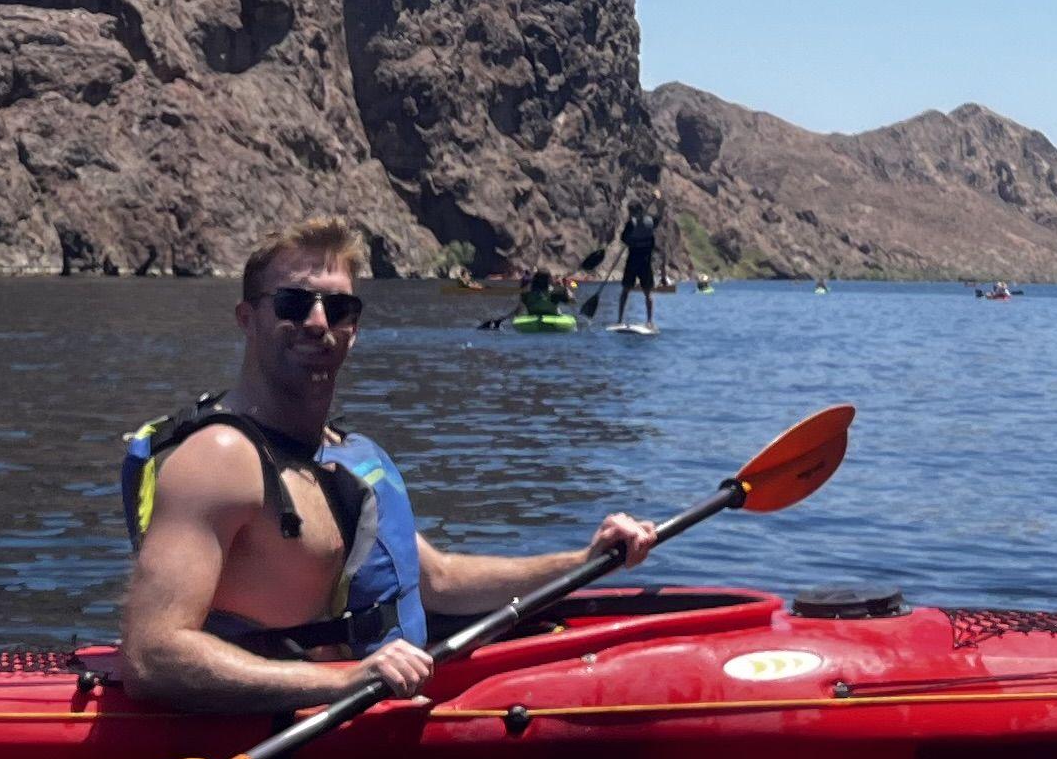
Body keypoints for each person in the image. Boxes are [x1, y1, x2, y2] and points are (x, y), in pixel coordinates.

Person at [120, 219, 660, 714]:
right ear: (248, 318)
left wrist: (587, 559)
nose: (317, 322)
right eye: (291, 303)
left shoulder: (346, 454)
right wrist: (346, 681)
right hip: (293, 741)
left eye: (338, 309)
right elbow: (152, 654)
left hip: (378, 696)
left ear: (353, 327)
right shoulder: (220, 459)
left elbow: (438, 580)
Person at [611, 192, 665, 334]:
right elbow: (660, 215)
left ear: (635, 211)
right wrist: (658, 200)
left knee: (634, 292)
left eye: (631, 212)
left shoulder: (638, 223)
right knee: (636, 292)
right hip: (641, 261)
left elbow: (624, 238)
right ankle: (637, 320)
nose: (630, 215)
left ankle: (640, 321)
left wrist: (631, 239)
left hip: (638, 261)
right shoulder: (644, 222)